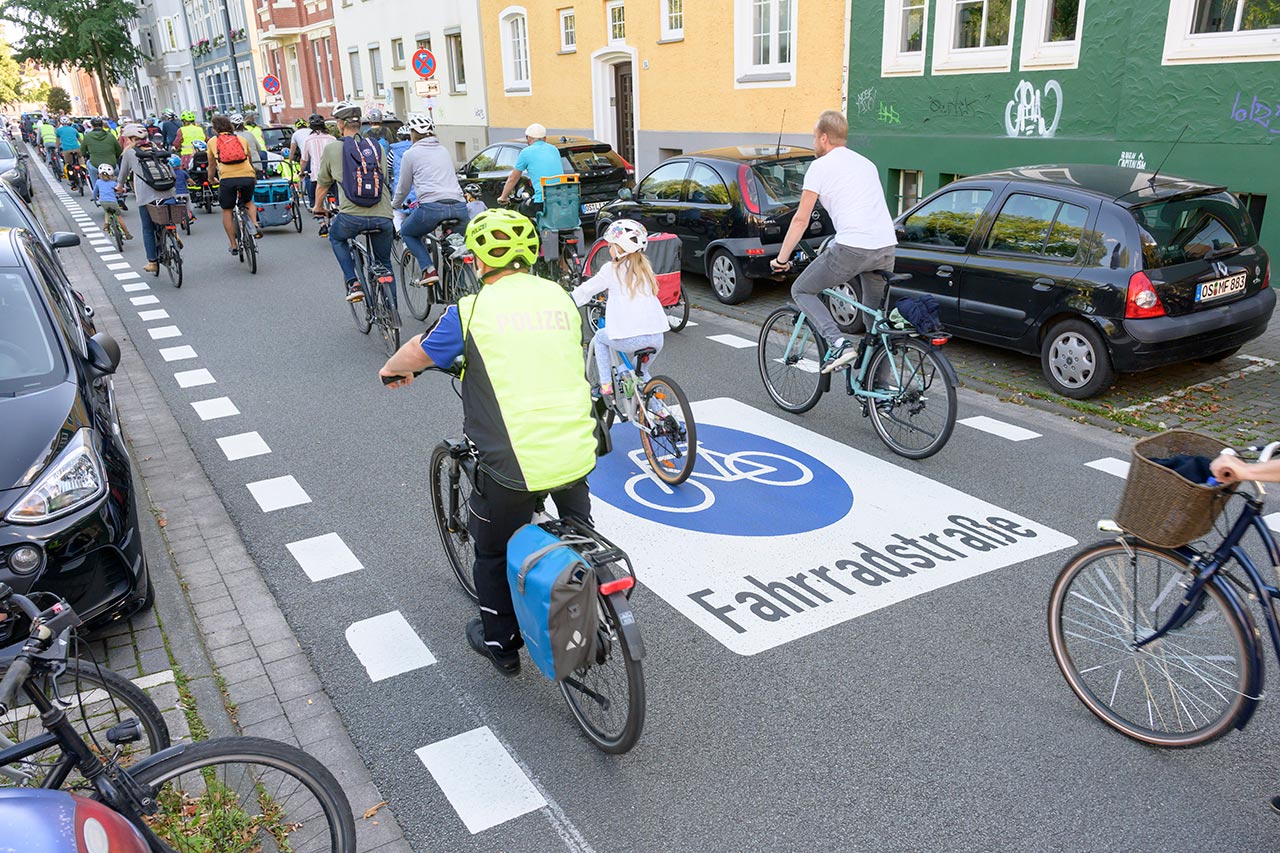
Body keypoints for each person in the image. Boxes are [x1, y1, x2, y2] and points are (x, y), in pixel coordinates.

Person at [379, 208, 597, 676]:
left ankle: (501, 644)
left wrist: (392, 370)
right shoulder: (561, 298)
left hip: (513, 465)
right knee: (579, 530)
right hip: (579, 447)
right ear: (533, 255)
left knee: (492, 550)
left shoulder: (472, 309)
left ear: (477, 262)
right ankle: (592, 595)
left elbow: (418, 350)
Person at [770, 109, 897, 374]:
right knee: (875, 320)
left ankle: (838, 343)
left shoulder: (819, 166)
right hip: (885, 246)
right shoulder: (866, 164)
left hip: (852, 247)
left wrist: (782, 259)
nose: (814, 142)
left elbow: (800, 220)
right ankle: (882, 389)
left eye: (814, 137)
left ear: (824, 138)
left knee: (802, 290)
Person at [570, 220, 668, 399]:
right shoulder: (645, 269)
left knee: (600, 338)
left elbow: (587, 289)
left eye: (611, 246)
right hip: (657, 337)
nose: (609, 249)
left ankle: (606, 386)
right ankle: (659, 415)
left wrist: (570, 299)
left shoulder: (611, 269)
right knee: (641, 375)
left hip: (631, 339)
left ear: (620, 248)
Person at [311, 101, 395, 304]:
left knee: (336, 237)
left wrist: (318, 207)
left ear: (340, 124)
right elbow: (384, 177)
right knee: (385, 262)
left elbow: (323, 184)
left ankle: (353, 282)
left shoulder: (332, 149)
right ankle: (393, 312)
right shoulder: (376, 148)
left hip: (351, 217)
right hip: (383, 215)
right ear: (360, 124)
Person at [392, 113, 469, 287]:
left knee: (407, 232)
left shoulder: (410, 154)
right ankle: (461, 289)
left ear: (413, 133)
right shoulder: (443, 150)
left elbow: (403, 187)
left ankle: (428, 270)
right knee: (455, 249)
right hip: (459, 207)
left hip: (432, 209)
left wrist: (395, 205)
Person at [115, 123, 178, 273]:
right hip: (169, 192)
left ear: (131, 138)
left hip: (147, 197)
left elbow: (122, 175)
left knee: (148, 228)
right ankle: (173, 233)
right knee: (167, 218)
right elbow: (172, 173)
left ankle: (152, 262)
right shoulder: (158, 149)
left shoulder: (130, 153)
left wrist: (119, 187)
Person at [208, 113, 264, 253]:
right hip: (247, 175)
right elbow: (249, 159)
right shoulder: (241, 139)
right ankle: (255, 223)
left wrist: (211, 179)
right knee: (248, 201)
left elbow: (212, 165)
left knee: (227, 209)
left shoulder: (212, 142)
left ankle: (233, 245)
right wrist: (253, 175)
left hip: (227, 179)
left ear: (215, 129)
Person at [497, 123, 561, 216]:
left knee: (520, 210)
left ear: (529, 138)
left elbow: (513, 178)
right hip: (561, 198)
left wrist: (503, 197)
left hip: (542, 201)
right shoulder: (554, 149)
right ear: (545, 138)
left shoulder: (526, 152)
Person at [297, 113, 330, 210]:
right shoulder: (332, 138)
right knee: (336, 196)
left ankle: (320, 220)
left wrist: (301, 172)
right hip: (331, 174)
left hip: (317, 175)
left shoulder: (308, 140)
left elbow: (304, 160)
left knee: (314, 198)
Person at [92, 163, 132, 240]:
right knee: (119, 218)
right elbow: (119, 190)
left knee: (107, 211)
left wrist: (94, 198)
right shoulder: (113, 183)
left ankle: (106, 224)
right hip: (113, 202)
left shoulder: (98, 182)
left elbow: (95, 192)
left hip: (103, 202)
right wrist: (124, 190)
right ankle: (127, 233)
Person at [387, 124, 413, 232]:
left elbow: (388, 169)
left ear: (398, 138)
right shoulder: (417, 150)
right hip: (419, 195)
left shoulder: (393, 153)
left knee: (397, 214)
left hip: (401, 193)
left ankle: (402, 237)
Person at [170, 154, 193, 219]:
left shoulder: (169, 173)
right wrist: (193, 184)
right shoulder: (183, 172)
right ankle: (190, 214)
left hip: (175, 194)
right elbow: (190, 181)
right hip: (184, 192)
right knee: (188, 203)